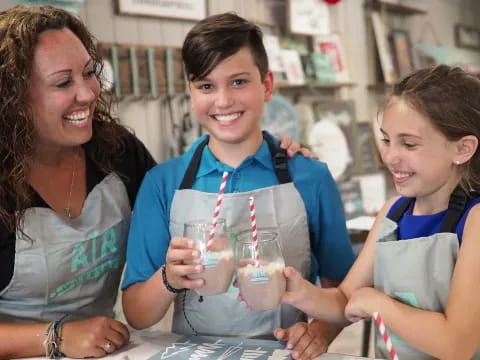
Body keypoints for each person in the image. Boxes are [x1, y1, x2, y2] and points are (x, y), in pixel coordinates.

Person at [0, 6, 309, 359]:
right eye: (62, 82)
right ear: (13, 98)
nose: (87, 93)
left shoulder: (115, 151)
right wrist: (53, 338)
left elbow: (171, 202)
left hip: (104, 348)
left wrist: (274, 155)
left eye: (89, 73)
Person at [121, 12, 355, 360]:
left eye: (239, 82)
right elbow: (138, 315)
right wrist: (169, 277)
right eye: (206, 86)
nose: (223, 101)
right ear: (190, 91)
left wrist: (318, 332)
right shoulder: (162, 183)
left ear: (268, 85)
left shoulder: (311, 178)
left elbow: (344, 294)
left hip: (283, 352)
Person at [281, 65, 480, 359]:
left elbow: (457, 344)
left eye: (409, 144)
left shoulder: (475, 219)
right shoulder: (393, 212)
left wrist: (378, 304)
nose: (389, 156)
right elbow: (347, 299)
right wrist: (297, 292)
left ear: (462, 148)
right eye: (386, 140)